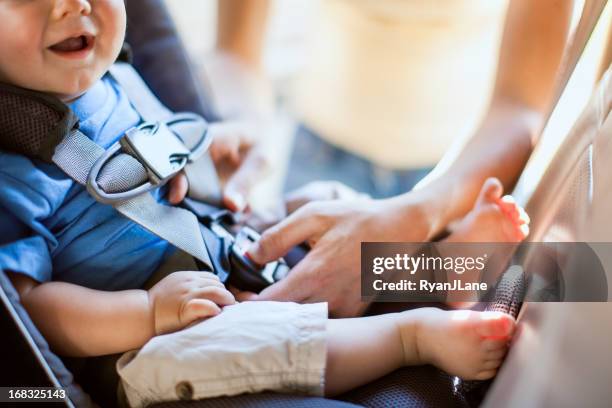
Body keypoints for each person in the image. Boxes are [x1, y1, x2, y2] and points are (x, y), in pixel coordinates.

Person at [0, 0, 528, 401]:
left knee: (316, 209)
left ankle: (446, 267)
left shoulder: (118, 80)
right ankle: (409, 336)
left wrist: (210, 144)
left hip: (223, 249)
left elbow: (166, 150)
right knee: (246, 336)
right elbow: (33, 310)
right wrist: (148, 313)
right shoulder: (11, 168)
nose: (74, 6)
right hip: (147, 343)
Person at [219, 0, 575, 316]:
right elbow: (235, 54)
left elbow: (521, 108)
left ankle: (449, 265)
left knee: (405, 300)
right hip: (320, 157)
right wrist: (241, 126)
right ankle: (448, 267)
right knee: (297, 290)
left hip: (456, 175)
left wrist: (418, 212)